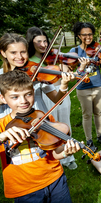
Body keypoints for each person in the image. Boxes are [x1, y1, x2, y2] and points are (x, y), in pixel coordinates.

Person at [0, 70, 81, 203]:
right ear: (3, 98)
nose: (23, 101)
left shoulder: (44, 118)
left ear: (33, 92)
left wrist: (65, 152)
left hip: (54, 179)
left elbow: (55, 153)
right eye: (14, 97)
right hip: (24, 188)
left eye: (28, 94)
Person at [0, 33, 74, 119]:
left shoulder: (37, 71)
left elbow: (57, 100)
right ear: (3, 53)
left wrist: (64, 85)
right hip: (11, 124)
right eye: (13, 52)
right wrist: (1, 101)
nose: (20, 57)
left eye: (23, 52)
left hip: (39, 121)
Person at [26, 27, 78, 170]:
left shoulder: (52, 56)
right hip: (42, 98)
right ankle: (54, 159)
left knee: (64, 125)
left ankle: (68, 156)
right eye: (39, 42)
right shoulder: (28, 63)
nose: (43, 45)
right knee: (49, 132)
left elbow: (66, 70)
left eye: (45, 41)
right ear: (31, 43)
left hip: (55, 93)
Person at [69, 22, 101, 148]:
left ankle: (100, 135)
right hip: (83, 88)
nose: (88, 37)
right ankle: (89, 139)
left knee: (98, 112)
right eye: (84, 35)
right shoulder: (74, 51)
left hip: (98, 85)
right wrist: (82, 66)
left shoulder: (97, 48)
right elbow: (72, 71)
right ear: (79, 36)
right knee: (87, 114)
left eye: (90, 34)